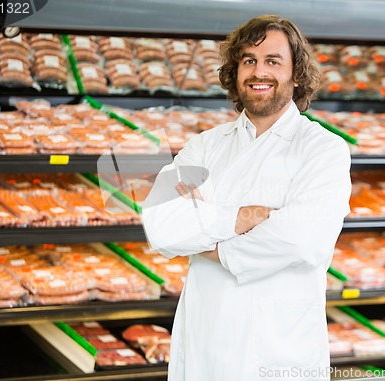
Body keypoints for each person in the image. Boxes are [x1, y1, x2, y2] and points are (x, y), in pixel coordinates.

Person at [142, 14, 351, 381]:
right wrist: (243, 218)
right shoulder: (204, 146)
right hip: (204, 341)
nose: (259, 72)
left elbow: (301, 240)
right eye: (248, 61)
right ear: (235, 72)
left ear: (296, 74)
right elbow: (160, 223)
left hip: (278, 349)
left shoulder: (323, 149)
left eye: (273, 61)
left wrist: (213, 247)